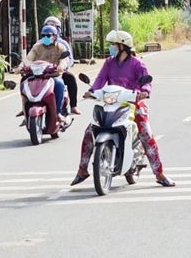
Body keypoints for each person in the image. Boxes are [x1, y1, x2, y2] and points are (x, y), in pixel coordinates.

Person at [70, 30, 175, 187]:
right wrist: (92, 91)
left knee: (146, 134)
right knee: (89, 132)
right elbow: (100, 80)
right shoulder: (109, 63)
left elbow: (146, 81)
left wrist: (144, 92)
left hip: (132, 103)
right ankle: (82, 169)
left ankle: (159, 174)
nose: (111, 48)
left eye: (113, 45)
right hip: (111, 103)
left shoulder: (137, 64)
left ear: (123, 46)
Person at [22, 25, 68, 122]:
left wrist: (61, 66)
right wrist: (21, 67)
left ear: (55, 36)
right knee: (24, 83)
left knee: (59, 84)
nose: (45, 38)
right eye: (43, 35)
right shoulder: (37, 47)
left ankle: (58, 113)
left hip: (52, 76)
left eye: (48, 35)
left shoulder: (60, 47)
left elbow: (64, 61)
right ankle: (25, 110)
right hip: (38, 76)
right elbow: (28, 59)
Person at [43, 16, 80, 115]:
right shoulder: (39, 44)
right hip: (41, 72)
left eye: (53, 27)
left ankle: (73, 106)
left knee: (71, 78)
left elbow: (69, 59)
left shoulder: (63, 44)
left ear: (58, 30)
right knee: (26, 80)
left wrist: (63, 66)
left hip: (57, 72)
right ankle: (26, 107)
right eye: (48, 26)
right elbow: (31, 57)